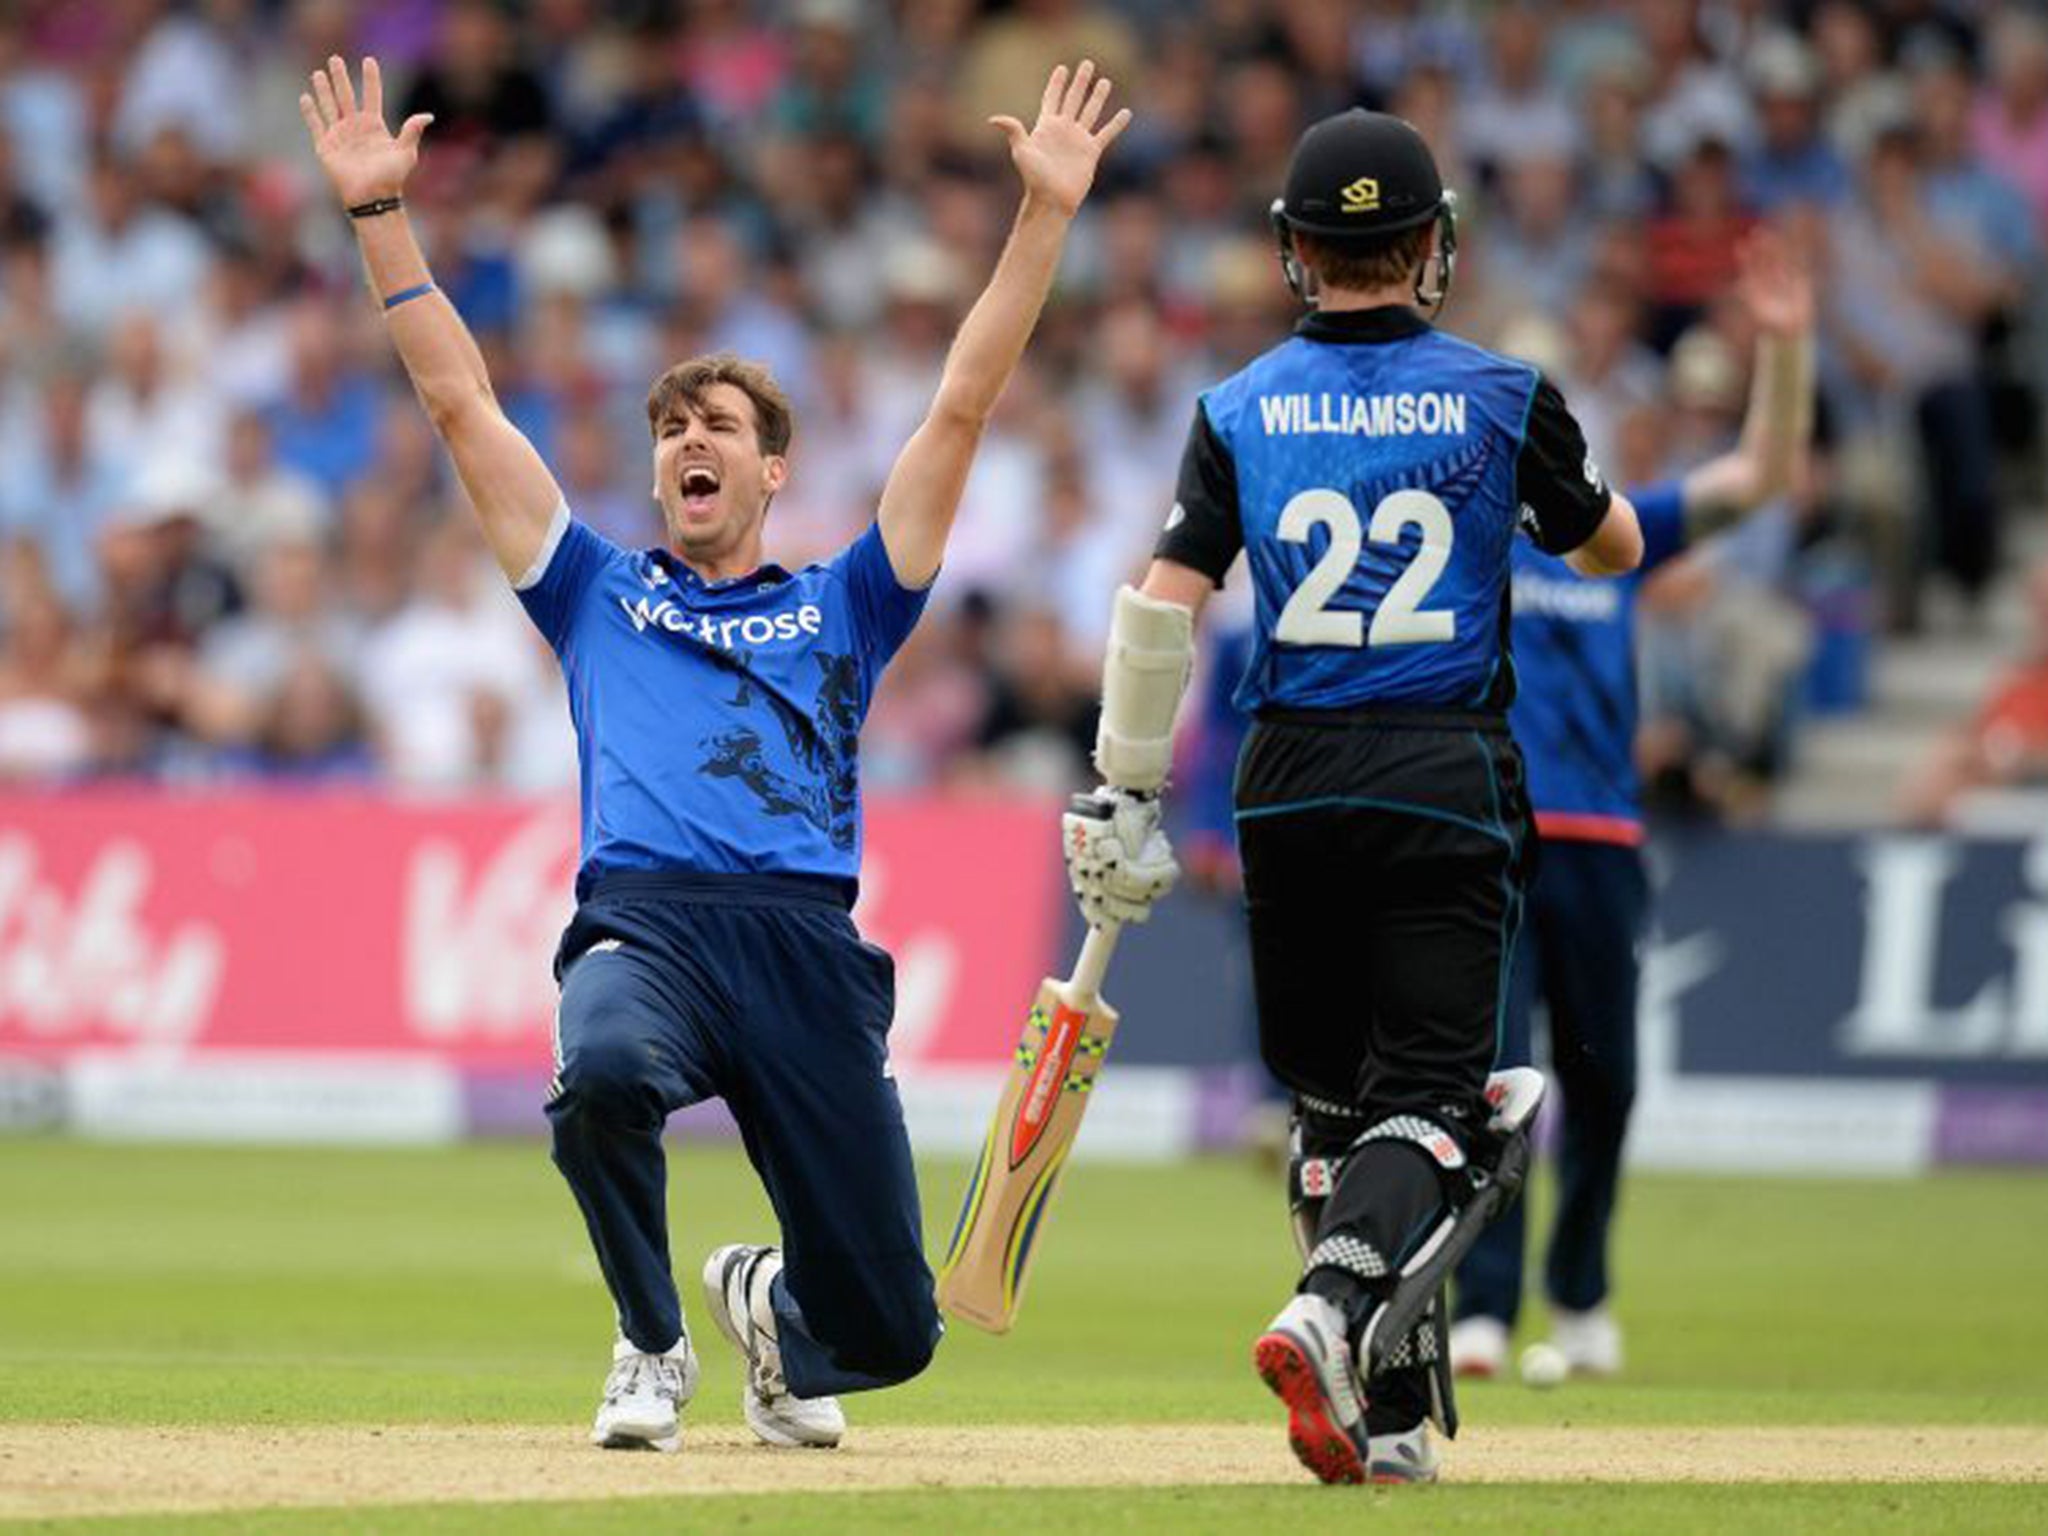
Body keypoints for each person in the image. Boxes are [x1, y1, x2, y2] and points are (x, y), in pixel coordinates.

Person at [299, 54, 1129, 1454]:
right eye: (672, 425)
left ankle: (764, 1312)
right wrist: (384, 219)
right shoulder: (595, 591)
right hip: (655, 931)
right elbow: (463, 409)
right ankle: (650, 1339)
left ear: (771, 469)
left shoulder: (847, 602)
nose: (689, 436)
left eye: (719, 426)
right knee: (601, 1073)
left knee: (892, 1335)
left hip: (807, 951)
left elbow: (963, 406)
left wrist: (1042, 215)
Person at [1062, 109, 1642, 1486]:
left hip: (1286, 785)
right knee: (1441, 1106)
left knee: (1335, 1112)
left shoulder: (1240, 406)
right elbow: (1610, 549)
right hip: (1440, 770)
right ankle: (1331, 1310)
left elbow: (1162, 609)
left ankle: (1384, 1415)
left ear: (1296, 252)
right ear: (1431, 247)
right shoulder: (1504, 395)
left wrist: (1126, 792)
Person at [1449, 229, 1817, 1381]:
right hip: (1490, 840)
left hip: (1600, 840)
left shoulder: (1607, 530)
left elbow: (1755, 478)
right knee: (1494, 1081)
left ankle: (1579, 1290)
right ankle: (1480, 1308)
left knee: (1601, 1080)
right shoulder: (1457, 538)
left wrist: (1786, 351)